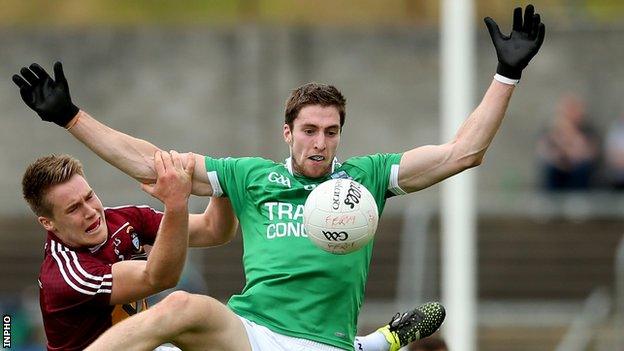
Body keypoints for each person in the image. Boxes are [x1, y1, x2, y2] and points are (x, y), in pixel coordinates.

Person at [12, 4, 545, 351]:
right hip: (248, 331)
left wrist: (507, 74)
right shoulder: (253, 176)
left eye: (331, 131)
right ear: (287, 132)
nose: (320, 142)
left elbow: (463, 153)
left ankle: (370, 345)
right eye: (309, 130)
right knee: (178, 309)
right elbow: (156, 164)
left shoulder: (369, 177)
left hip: (318, 341)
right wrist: (71, 117)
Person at [20, 153, 241, 350]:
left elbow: (214, 229)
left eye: (89, 197)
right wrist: (175, 203)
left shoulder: (124, 219)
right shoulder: (67, 275)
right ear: (48, 223)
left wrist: (222, 177)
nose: (90, 212)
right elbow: (159, 277)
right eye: (73, 209)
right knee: (181, 307)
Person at [536, 94, 600, 191]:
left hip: (579, 168)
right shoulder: (552, 129)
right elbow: (544, 150)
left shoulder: (587, 129)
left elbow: (590, 152)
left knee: (582, 171)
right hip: (558, 167)